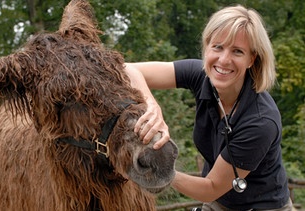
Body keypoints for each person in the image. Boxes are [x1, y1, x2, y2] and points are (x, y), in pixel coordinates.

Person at [124, 4, 293, 210]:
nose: (224, 60)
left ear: (252, 59)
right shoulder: (200, 75)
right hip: (220, 203)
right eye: (217, 47)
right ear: (206, 47)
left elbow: (210, 188)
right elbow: (126, 70)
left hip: (264, 206)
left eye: (237, 51)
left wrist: (158, 167)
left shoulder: (261, 121)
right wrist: (151, 105)